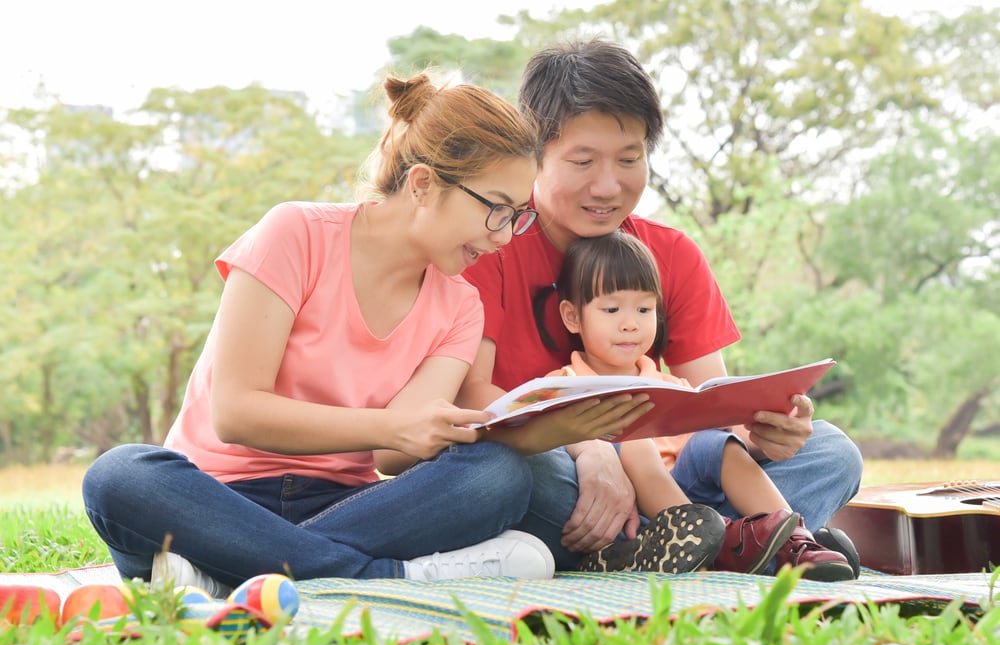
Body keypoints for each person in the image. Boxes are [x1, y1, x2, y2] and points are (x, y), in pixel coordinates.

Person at [81, 71, 646, 596]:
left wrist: (553, 430)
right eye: (497, 210)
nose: (504, 236)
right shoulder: (295, 233)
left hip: (347, 507)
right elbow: (235, 411)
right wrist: (394, 426)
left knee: (497, 475)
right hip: (211, 499)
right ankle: (383, 575)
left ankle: (230, 571)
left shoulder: (459, 305)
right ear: (423, 184)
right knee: (119, 476)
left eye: (518, 216)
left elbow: (394, 453)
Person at [458, 39, 863, 577]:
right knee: (507, 471)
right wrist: (586, 447)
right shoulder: (492, 244)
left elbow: (709, 408)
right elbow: (472, 398)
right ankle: (750, 543)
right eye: (583, 161)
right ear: (535, 156)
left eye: (630, 159)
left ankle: (689, 546)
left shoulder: (669, 252)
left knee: (831, 452)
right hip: (561, 467)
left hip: (668, 477)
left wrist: (764, 433)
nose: (608, 185)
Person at [539, 232, 854, 581]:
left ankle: (792, 540)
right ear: (572, 317)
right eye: (611, 309)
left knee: (713, 442)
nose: (630, 323)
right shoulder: (563, 384)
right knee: (634, 441)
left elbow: (723, 453)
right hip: (628, 517)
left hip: (697, 501)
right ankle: (731, 547)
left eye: (644, 309)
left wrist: (769, 429)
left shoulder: (674, 388)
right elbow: (545, 443)